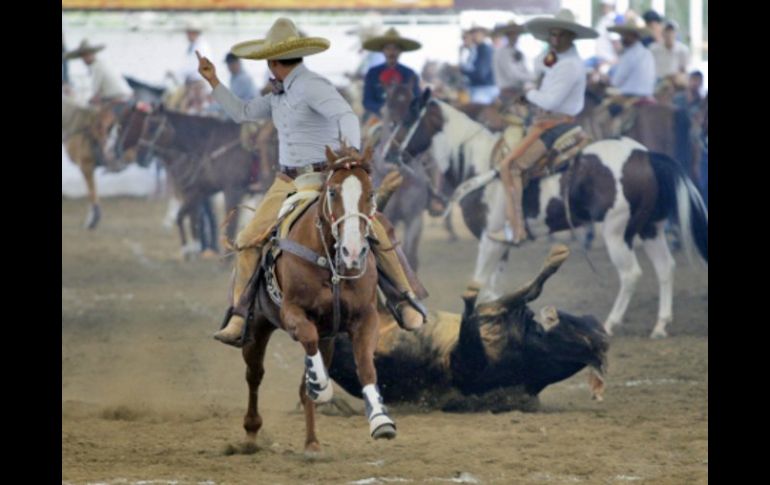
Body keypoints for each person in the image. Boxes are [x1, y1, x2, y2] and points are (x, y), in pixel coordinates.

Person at [195, 18, 427, 346]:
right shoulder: (278, 94)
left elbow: (346, 115)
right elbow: (243, 112)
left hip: (325, 177)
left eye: (268, 62)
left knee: (371, 227)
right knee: (248, 239)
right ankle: (239, 312)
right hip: (287, 180)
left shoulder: (313, 86)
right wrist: (214, 81)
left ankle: (403, 299)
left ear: (274, 62)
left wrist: (349, 160)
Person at [492, 9, 598, 245]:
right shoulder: (558, 59)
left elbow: (549, 101)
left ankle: (515, 230)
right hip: (549, 119)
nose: (555, 40)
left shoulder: (569, 65)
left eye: (561, 35)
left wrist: (529, 91)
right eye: (552, 35)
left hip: (554, 124)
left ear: (572, 37)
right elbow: (540, 66)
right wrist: (541, 70)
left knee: (510, 166)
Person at [361, 27, 422, 123]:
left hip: (404, 119)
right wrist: (380, 109)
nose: (391, 52)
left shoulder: (410, 73)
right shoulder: (373, 73)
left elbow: (418, 100)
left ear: (400, 51)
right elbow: (367, 101)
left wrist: (406, 110)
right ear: (383, 51)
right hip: (378, 118)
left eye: (395, 49)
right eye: (388, 49)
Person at [460, 26, 498, 104]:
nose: (474, 36)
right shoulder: (475, 49)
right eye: (472, 33)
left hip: (484, 89)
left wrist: (464, 71)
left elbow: (481, 73)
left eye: (476, 33)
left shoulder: (485, 49)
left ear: (483, 35)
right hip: (477, 87)